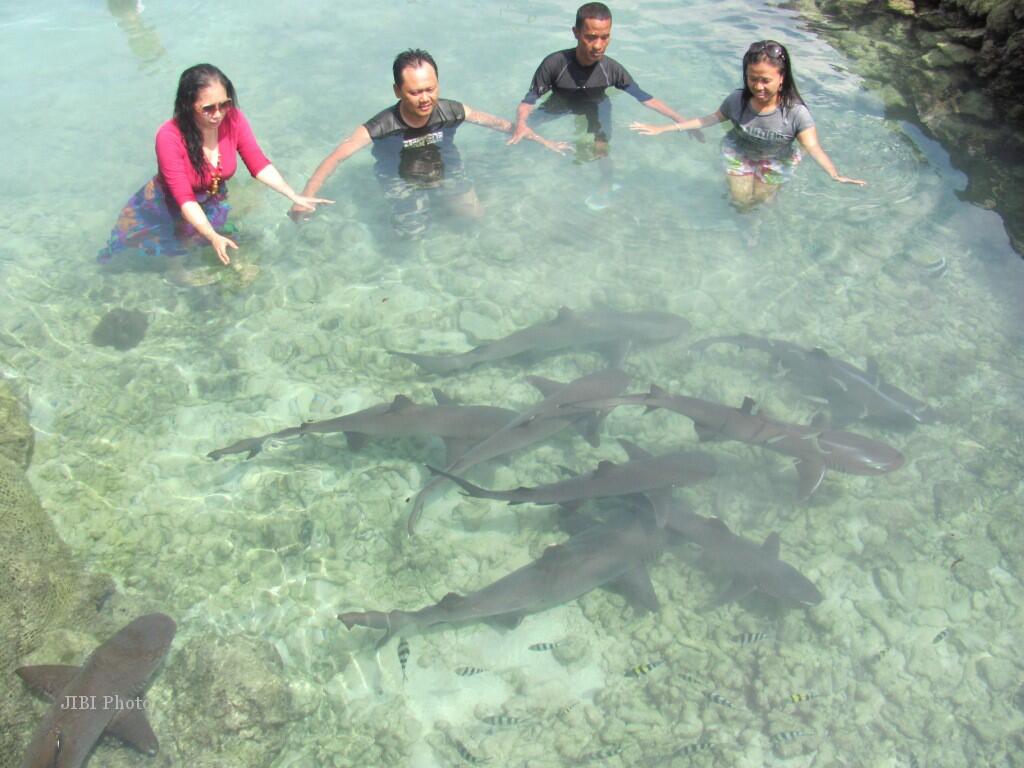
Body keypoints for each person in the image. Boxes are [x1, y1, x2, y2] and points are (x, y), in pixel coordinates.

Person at [292, 49, 564, 240]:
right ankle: (413, 213)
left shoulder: (452, 110)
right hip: (399, 177)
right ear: (397, 91)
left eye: (430, 89)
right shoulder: (379, 126)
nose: (425, 98)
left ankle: (442, 201)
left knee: (474, 217)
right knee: (411, 235)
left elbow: (499, 124)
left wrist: (541, 140)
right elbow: (334, 158)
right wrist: (304, 199)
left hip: (444, 168)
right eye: (415, 92)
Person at [98, 63, 329, 277]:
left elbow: (257, 163)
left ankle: (219, 256)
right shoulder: (169, 137)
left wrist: (293, 194)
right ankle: (177, 275)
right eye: (208, 108)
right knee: (179, 244)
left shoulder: (233, 119)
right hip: (170, 203)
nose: (218, 114)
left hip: (211, 193)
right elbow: (184, 198)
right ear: (188, 105)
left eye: (225, 104)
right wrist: (210, 235)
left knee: (222, 233)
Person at [630, 40, 865, 210]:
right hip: (739, 152)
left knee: (763, 201)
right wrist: (665, 128)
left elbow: (813, 147)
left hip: (777, 159)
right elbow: (709, 119)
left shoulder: (796, 113)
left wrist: (835, 174)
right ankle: (743, 224)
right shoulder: (737, 99)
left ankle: (756, 226)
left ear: (782, 78)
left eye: (766, 80)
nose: (759, 86)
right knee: (741, 201)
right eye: (753, 79)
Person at [508, 2, 698, 210]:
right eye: (590, 37)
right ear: (576, 32)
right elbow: (528, 101)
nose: (598, 45)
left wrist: (681, 121)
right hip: (560, 103)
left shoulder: (612, 70)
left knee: (602, 149)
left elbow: (645, 98)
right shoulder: (555, 64)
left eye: (604, 37)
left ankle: (607, 185)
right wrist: (521, 123)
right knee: (517, 130)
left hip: (596, 106)